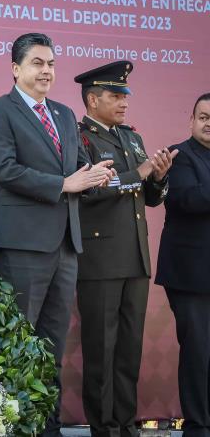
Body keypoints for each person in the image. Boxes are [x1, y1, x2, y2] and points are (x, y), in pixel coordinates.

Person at [0, 32, 115, 437]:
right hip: (22, 245)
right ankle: (14, 427)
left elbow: (78, 169)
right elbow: (5, 170)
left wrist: (96, 176)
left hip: (65, 247)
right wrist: (63, 184)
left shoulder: (62, 114)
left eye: (52, 63)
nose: (47, 71)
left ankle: (47, 428)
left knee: (51, 347)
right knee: (17, 344)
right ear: (16, 68)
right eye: (38, 63)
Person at [74, 61, 176, 437]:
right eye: (116, 96)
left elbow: (149, 199)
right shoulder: (80, 137)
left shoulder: (131, 138)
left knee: (129, 351)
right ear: (92, 99)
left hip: (135, 258)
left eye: (124, 96)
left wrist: (159, 176)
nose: (124, 103)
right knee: (101, 351)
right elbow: (90, 191)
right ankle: (103, 428)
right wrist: (140, 173)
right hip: (100, 261)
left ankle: (125, 423)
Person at [155, 93, 210, 437]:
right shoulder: (180, 155)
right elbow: (188, 199)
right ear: (191, 120)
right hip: (191, 276)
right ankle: (198, 425)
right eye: (203, 117)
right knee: (198, 352)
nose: (209, 124)